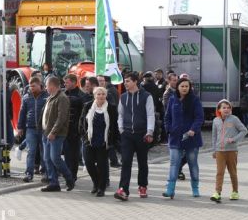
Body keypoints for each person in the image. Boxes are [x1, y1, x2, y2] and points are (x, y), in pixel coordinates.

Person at [114, 71, 155, 201]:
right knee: (126, 161)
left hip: (142, 134)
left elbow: (150, 114)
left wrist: (149, 131)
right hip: (126, 134)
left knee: (143, 162)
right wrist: (121, 128)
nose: (125, 83)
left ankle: (142, 185)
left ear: (135, 82)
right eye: (124, 81)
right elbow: (120, 114)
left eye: (127, 81)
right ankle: (123, 190)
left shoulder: (146, 96)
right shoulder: (123, 97)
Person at [162, 77, 205, 199]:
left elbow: (199, 117)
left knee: (192, 163)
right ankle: (170, 189)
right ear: (178, 87)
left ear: (190, 87)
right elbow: (167, 117)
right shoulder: (172, 99)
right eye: (182, 86)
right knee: (174, 163)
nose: (184, 88)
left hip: (191, 138)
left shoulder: (195, 100)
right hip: (175, 138)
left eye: (187, 86)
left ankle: (195, 188)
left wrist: (193, 129)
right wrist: (169, 130)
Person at [79, 86, 119, 197]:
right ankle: (95, 183)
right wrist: (84, 136)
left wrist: (113, 141)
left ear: (106, 95)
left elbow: (114, 126)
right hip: (90, 140)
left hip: (103, 141)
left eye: (103, 94)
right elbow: (82, 122)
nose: (101, 96)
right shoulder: (87, 106)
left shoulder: (111, 108)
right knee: (89, 163)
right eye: (98, 94)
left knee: (102, 165)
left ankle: (101, 188)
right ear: (94, 95)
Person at [39, 76, 75, 192]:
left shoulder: (62, 98)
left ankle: (69, 178)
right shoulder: (51, 97)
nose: (45, 88)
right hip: (46, 133)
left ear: (52, 86)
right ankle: (53, 183)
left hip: (56, 134)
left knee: (55, 158)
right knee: (47, 159)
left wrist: (53, 132)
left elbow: (62, 117)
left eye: (46, 85)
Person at [210, 99, 248, 203]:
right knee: (219, 172)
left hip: (232, 150)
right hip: (219, 151)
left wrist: (234, 139)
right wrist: (214, 150)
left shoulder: (234, 119)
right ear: (219, 109)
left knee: (233, 172)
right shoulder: (215, 121)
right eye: (224, 107)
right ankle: (217, 193)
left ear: (231, 109)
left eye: (228, 107)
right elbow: (214, 136)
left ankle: (235, 192)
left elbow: (244, 130)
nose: (226, 109)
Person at [17, 76, 48, 182]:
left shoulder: (47, 96)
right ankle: (29, 174)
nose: (31, 88)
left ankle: (45, 173)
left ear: (40, 85)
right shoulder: (26, 97)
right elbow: (22, 113)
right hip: (30, 128)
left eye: (34, 86)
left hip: (44, 129)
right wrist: (20, 127)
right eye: (30, 86)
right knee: (31, 151)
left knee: (44, 151)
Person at [63, 74, 84, 181]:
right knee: (66, 154)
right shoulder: (64, 93)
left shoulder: (80, 94)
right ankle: (68, 175)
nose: (65, 84)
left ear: (73, 82)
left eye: (67, 82)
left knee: (74, 155)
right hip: (64, 130)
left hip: (75, 130)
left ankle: (73, 175)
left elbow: (81, 106)